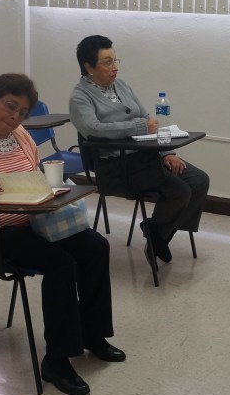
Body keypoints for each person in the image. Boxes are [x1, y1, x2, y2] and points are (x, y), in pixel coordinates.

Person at [0, 73, 124, 395]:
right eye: (9, 106)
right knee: (60, 264)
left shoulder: (21, 136)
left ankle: (92, 334)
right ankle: (57, 360)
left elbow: (32, 180)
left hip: (32, 222)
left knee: (95, 246)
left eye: (22, 112)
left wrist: (51, 191)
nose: (15, 117)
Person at [68, 34, 210, 266]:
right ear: (89, 67)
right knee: (180, 191)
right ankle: (157, 234)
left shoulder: (121, 85)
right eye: (107, 62)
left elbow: (147, 118)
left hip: (146, 156)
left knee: (199, 181)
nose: (115, 67)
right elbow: (94, 130)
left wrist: (167, 153)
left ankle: (158, 233)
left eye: (115, 60)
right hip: (116, 166)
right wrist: (138, 126)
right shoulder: (79, 98)